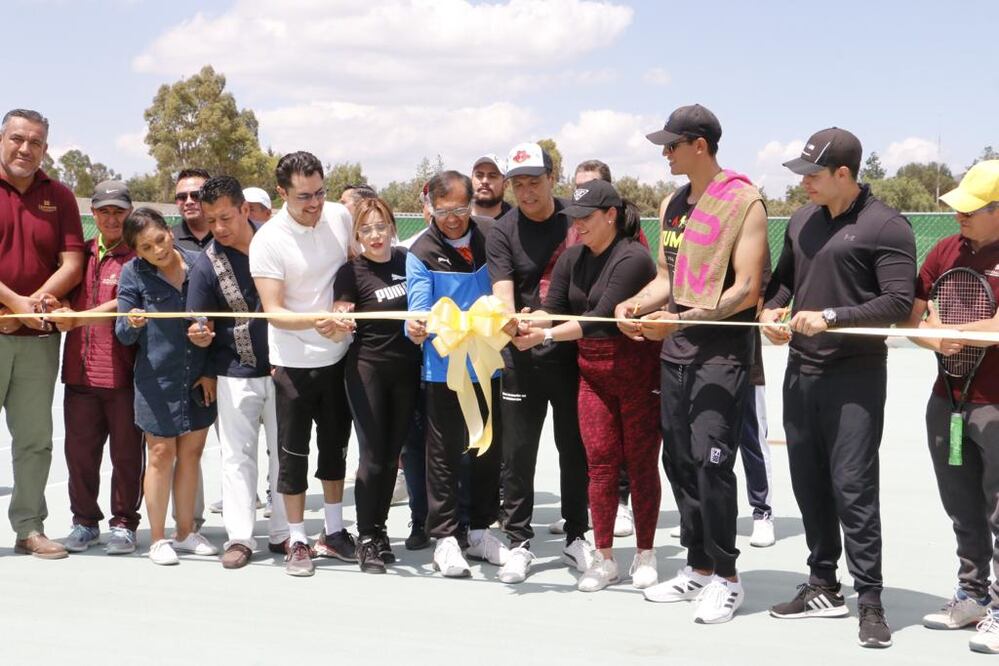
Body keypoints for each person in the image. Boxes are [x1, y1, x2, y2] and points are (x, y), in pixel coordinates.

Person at [759, 127, 916, 648]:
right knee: (809, 484)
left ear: (844, 175)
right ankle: (823, 584)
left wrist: (830, 316)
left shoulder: (886, 225)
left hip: (855, 378)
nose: (803, 183)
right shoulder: (802, 220)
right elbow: (782, 282)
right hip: (800, 374)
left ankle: (870, 601)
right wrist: (772, 312)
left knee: (853, 489)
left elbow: (896, 302)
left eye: (813, 174)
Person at [616, 104, 768, 624]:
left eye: (672, 145)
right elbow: (666, 275)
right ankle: (698, 567)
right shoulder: (672, 203)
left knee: (712, 462)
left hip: (721, 354)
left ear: (699, 145)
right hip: (675, 352)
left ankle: (727, 577)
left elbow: (747, 290)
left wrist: (678, 321)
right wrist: (635, 304)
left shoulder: (744, 201)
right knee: (678, 460)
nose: (664, 153)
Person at [513, 180, 661, 592]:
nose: (577, 225)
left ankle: (646, 553)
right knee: (599, 465)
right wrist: (527, 320)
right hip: (592, 375)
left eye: (586, 218)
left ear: (611, 215)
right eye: (573, 218)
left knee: (641, 463)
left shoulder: (634, 258)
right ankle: (604, 557)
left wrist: (542, 335)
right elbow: (554, 308)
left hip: (638, 375)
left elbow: (597, 319)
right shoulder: (572, 257)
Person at [487, 141, 593, 584]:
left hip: (571, 354)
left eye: (534, 181)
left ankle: (576, 536)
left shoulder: (576, 219)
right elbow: (502, 293)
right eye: (518, 184)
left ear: (552, 178)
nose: (526, 192)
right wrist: (514, 328)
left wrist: (551, 327)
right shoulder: (501, 230)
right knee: (517, 454)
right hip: (521, 357)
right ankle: (519, 543)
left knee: (575, 449)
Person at [907, 160, 999, 654]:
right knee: (961, 506)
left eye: (970, 210)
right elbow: (917, 316)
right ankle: (973, 595)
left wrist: (955, 332)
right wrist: (931, 338)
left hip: (996, 407)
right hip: (947, 401)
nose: (959, 217)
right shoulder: (945, 251)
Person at [249, 151, 356, 577]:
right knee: (292, 456)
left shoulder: (340, 217)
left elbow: (351, 270)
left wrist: (343, 308)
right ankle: (296, 538)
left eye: (320, 193)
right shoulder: (268, 240)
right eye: (303, 196)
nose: (314, 204)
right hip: (291, 364)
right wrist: (320, 320)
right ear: (282, 193)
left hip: (339, 359)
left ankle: (333, 530)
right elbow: (273, 311)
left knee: (335, 450)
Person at [406, 170, 506, 577]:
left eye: (461, 209)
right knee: (443, 455)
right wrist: (413, 325)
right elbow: (417, 305)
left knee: (488, 450)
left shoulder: (491, 236)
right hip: (442, 370)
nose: (453, 218)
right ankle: (445, 538)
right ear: (429, 205)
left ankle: (481, 531)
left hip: (487, 366)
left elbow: (504, 290)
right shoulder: (420, 250)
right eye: (444, 210)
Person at [186, 176, 289, 569]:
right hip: (233, 374)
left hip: (286, 370)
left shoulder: (279, 243)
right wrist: (199, 336)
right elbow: (196, 323)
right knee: (236, 456)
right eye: (211, 221)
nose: (219, 228)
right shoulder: (205, 264)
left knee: (286, 454)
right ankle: (241, 537)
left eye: (226, 217)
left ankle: (284, 533)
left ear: (246, 209)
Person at [0, 108, 85, 559]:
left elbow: (72, 263)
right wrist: (16, 303)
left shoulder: (62, 197)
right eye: (17, 139)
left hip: (37, 341)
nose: (25, 149)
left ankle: (29, 527)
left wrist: (34, 306)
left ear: (45, 149)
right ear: (2, 139)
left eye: (34, 142)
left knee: (34, 439)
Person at [115, 208, 218, 565]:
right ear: (137, 252)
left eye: (160, 239)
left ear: (169, 233)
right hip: (156, 380)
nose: (157, 250)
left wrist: (209, 366)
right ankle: (158, 539)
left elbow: (216, 318)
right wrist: (134, 321)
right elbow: (123, 332)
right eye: (146, 247)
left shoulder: (201, 264)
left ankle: (186, 532)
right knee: (161, 455)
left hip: (199, 378)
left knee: (191, 454)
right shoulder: (133, 274)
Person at [54, 180, 143, 555]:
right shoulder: (77, 256)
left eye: (118, 211)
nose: (111, 218)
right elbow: (57, 296)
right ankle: (84, 522)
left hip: (123, 376)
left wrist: (80, 318)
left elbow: (126, 304)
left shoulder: (139, 258)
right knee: (80, 455)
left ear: (129, 214)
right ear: (94, 214)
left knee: (126, 456)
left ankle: (123, 524)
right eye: (104, 211)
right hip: (79, 375)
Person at [332, 197, 421, 573]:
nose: (375, 235)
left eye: (380, 226)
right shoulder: (351, 271)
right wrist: (340, 316)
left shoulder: (407, 262)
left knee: (391, 456)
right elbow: (341, 308)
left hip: (407, 370)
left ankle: (380, 532)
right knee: (372, 455)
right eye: (365, 229)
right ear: (357, 235)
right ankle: (366, 537)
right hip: (367, 369)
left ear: (392, 226)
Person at [171, 168, 213, 252]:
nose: (189, 202)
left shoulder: (228, 235)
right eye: (182, 197)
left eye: (196, 195)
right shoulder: (168, 240)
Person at [471, 154, 511, 219]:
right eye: (479, 175)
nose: (484, 181)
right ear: (471, 180)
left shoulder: (516, 223)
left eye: (492, 176)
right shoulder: (455, 218)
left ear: (505, 184)